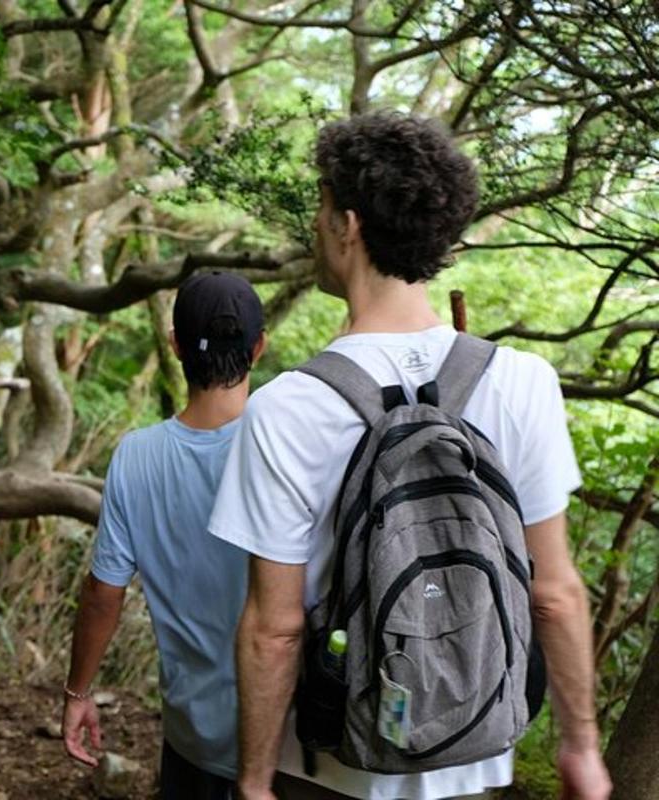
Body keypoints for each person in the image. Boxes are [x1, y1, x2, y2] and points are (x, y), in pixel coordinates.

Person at [207, 112, 613, 800]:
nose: (316, 225)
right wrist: (581, 746)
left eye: (322, 207)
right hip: (474, 750)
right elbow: (556, 592)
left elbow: (272, 630)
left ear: (350, 224)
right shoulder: (521, 381)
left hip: (332, 761)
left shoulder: (288, 407)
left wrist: (252, 783)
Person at [62, 271, 266, 800]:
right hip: (282, 736)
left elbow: (103, 594)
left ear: (175, 345)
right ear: (259, 348)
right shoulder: (284, 443)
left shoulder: (136, 454)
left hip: (193, 735)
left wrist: (78, 692)